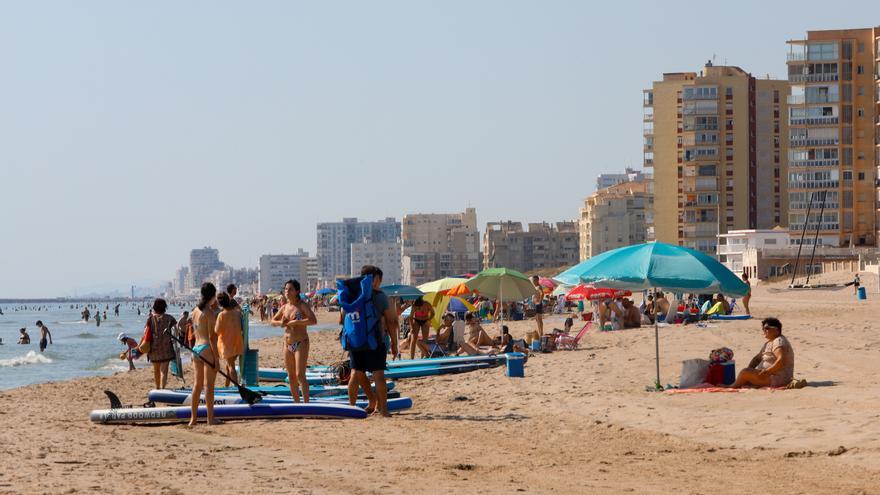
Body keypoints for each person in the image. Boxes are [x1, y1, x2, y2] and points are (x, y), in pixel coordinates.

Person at [346, 265, 399, 417]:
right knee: (378, 376)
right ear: (375, 279)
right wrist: (394, 344)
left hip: (356, 341)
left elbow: (342, 318)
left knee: (355, 374)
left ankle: (351, 408)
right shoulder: (380, 296)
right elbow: (391, 321)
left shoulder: (352, 295)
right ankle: (384, 411)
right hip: (375, 341)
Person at [273, 279, 317, 403]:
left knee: (300, 375)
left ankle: (306, 404)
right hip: (287, 344)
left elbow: (313, 320)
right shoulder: (285, 307)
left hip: (301, 342)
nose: (287, 291)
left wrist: (297, 322)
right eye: (286, 289)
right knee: (291, 376)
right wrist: (280, 323)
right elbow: (272, 321)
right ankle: (297, 403)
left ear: (297, 291)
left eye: (290, 289)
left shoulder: (302, 305)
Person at [728, 317, 795, 389]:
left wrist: (767, 372)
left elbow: (781, 360)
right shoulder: (769, 343)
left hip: (777, 378)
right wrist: (751, 369)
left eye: (767, 328)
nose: (764, 330)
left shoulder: (778, 341)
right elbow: (757, 359)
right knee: (746, 372)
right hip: (769, 375)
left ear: (776, 329)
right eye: (763, 329)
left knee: (744, 372)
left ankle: (732, 386)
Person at [190, 283, 220, 426]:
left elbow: (195, 332)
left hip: (195, 349)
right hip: (207, 349)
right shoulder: (209, 312)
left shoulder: (195, 311)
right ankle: (210, 418)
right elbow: (212, 338)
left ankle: (193, 419)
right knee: (209, 386)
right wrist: (217, 358)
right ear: (212, 296)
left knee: (197, 385)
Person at [145, 298, 178, 390]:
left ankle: (157, 388)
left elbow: (146, 333)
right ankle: (163, 388)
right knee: (164, 370)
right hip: (166, 348)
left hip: (154, 348)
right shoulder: (170, 318)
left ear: (154, 307)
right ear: (165, 307)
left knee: (156, 370)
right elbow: (176, 331)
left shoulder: (150, 319)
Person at [215, 293, 244, 388]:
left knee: (231, 367)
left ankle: (236, 388)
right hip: (238, 342)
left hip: (227, 344)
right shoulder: (237, 313)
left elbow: (217, 330)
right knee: (229, 366)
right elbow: (241, 327)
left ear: (220, 304)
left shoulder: (221, 315)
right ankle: (226, 386)